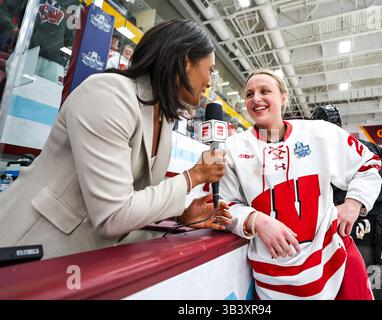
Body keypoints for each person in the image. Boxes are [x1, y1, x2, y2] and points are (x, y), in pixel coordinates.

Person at [0, 19, 231, 259]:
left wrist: (179, 216)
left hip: (81, 264)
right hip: (26, 252)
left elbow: (137, 198)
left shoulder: (163, 118)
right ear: (185, 61)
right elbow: (114, 216)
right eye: (210, 70)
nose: (209, 83)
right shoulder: (108, 95)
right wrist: (194, 177)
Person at [220, 69, 382, 300]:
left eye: (265, 91)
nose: (255, 98)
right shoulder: (233, 148)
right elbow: (223, 205)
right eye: (249, 94)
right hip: (272, 279)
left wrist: (354, 203)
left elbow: (368, 164)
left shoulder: (320, 133)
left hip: (334, 264)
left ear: (284, 97)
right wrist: (256, 220)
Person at [311, 104, 382, 300]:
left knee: (354, 292)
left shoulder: (320, 152)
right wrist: (378, 193)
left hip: (350, 233)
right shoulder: (371, 148)